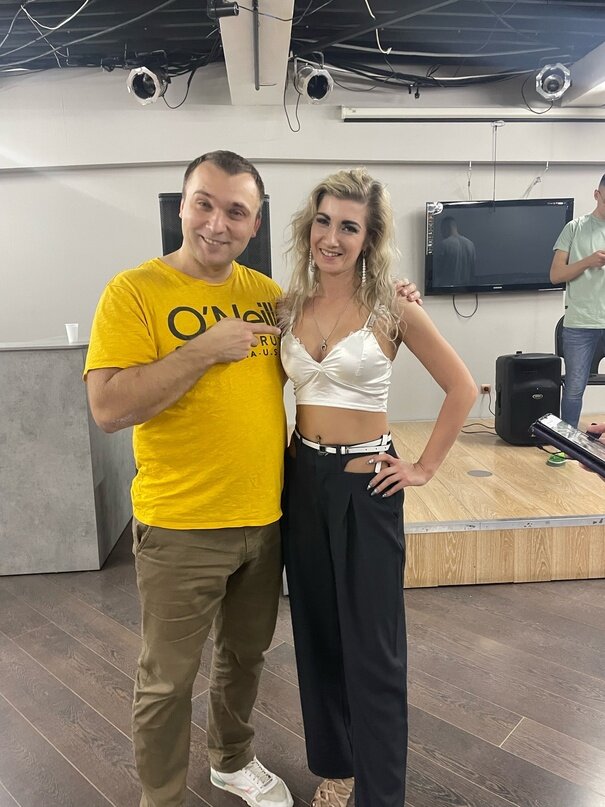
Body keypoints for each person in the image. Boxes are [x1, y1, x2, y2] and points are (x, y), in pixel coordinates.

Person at [84, 150, 421, 807]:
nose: (217, 223)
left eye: (235, 211)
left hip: (268, 518)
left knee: (245, 658)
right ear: (182, 206)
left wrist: (393, 295)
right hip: (180, 524)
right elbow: (108, 409)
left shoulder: (269, 297)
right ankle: (161, 797)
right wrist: (201, 350)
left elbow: (338, 319)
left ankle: (231, 760)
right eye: (204, 204)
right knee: (167, 679)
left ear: (255, 222)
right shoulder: (134, 290)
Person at [279, 168, 477, 807]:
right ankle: (338, 766)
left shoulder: (395, 307)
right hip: (302, 481)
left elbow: (462, 388)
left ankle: (381, 794)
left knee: (374, 648)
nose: (331, 237)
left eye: (349, 227)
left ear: (369, 237)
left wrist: (421, 468)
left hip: (366, 485)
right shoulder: (289, 306)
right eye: (323, 221)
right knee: (316, 633)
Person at [550, 175, 605, 431]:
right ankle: (566, 443)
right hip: (580, 323)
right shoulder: (575, 228)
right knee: (573, 389)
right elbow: (556, 275)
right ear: (596, 194)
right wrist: (588, 261)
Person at [435, 215, 476, 286]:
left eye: (442, 229)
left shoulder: (444, 244)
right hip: (466, 288)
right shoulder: (470, 244)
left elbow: (437, 270)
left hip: (446, 287)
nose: (442, 233)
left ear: (446, 227)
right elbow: (473, 270)